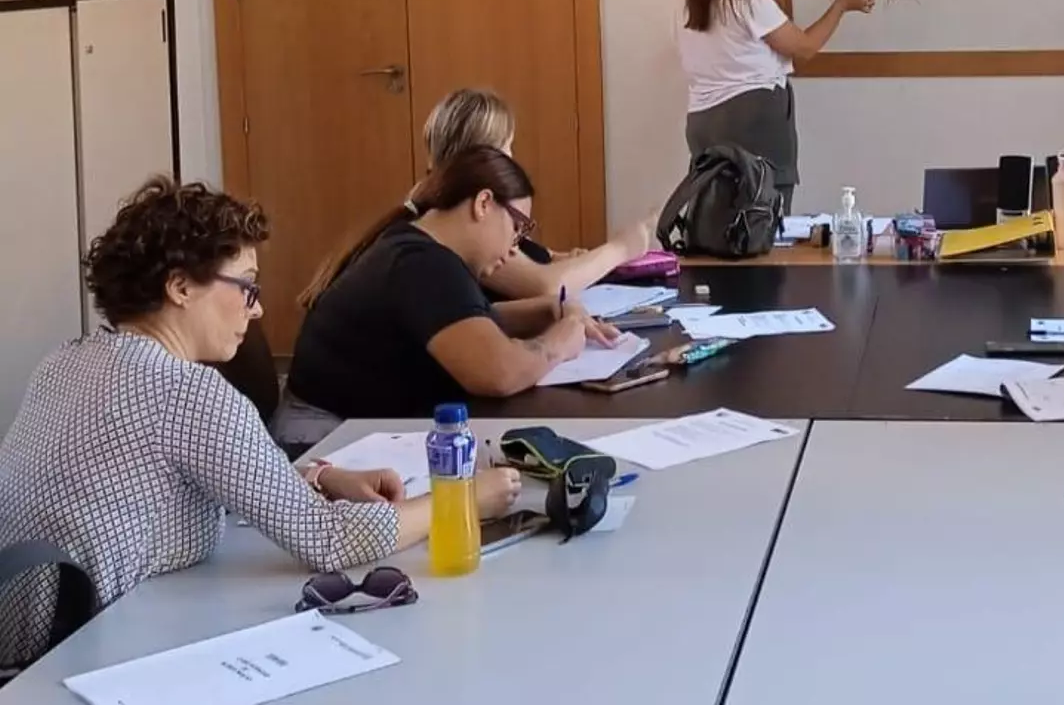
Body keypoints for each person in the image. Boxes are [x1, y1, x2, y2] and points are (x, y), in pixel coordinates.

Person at [0, 177, 522, 670]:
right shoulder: (187, 393)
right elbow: (329, 542)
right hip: (84, 657)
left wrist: (317, 477)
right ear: (180, 286)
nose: (256, 311)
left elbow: (166, 479)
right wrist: (465, 498)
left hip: (25, 647)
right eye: (246, 287)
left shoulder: (66, 361)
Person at [280, 146, 613, 445]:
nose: (514, 248)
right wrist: (559, 343)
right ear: (484, 204)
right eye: (517, 228)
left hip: (342, 426)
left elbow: (467, 323)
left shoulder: (416, 246)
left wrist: (551, 308)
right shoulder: (422, 264)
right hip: (321, 439)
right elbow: (499, 373)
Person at [673, 0, 876, 213]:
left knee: (716, 218)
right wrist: (842, 5)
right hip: (755, 123)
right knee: (763, 220)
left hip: (703, 124)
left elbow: (737, 45)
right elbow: (804, 47)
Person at [417, 89, 655, 294]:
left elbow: (540, 258)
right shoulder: (472, 229)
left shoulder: (481, 214)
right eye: (507, 146)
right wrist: (622, 247)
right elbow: (545, 286)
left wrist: (568, 260)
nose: (512, 157)